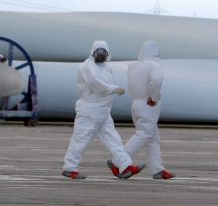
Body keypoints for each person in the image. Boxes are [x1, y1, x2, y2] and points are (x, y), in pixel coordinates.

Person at [62, 41, 145, 179]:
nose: (101, 54)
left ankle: (124, 166)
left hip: (104, 111)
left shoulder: (107, 67)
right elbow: (94, 84)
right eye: (98, 51)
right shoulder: (86, 66)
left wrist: (112, 90)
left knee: (114, 140)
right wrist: (114, 89)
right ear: (92, 52)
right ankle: (70, 168)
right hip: (89, 111)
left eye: (103, 51)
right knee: (81, 140)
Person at [110, 41, 175, 180]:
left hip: (136, 103)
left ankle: (158, 169)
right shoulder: (154, 65)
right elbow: (156, 81)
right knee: (144, 134)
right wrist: (154, 97)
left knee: (152, 137)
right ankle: (118, 162)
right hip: (148, 103)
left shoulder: (133, 66)